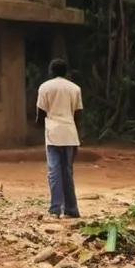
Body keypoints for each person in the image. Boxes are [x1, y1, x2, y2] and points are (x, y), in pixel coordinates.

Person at [36, 58, 83, 218]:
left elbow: (40, 114)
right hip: (70, 133)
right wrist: (78, 137)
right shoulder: (75, 88)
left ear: (51, 71)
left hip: (53, 133)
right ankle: (71, 209)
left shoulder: (45, 87)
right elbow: (78, 115)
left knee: (54, 171)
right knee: (67, 172)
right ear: (66, 72)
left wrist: (40, 127)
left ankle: (55, 209)